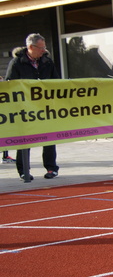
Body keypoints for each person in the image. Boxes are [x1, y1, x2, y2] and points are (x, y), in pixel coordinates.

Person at [5, 33, 61, 180]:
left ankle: (51, 168)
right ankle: (24, 171)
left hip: (45, 107)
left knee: (49, 137)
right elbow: (10, 85)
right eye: (41, 48)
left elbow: (57, 82)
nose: (44, 50)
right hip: (24, 109)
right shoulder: (17, 63)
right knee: (24, 139)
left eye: (44, 47)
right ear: (31, 47)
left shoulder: (47, 62)